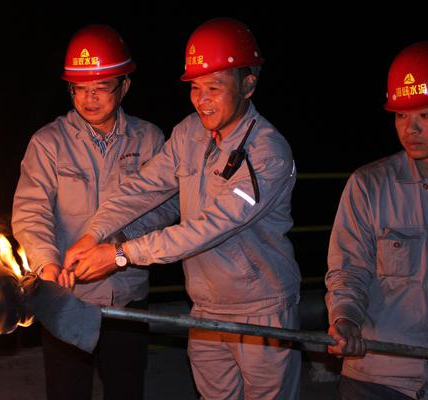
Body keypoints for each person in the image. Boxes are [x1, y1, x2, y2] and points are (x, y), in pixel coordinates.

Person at [64, 17, 302, 400]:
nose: (201, 99)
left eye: (214, 87)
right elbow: (143, 187)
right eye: (195, 87)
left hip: (261, 308)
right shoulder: (190, 133)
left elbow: (207, 229)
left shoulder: (267, 153)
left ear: (248, 84)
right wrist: (94, 234)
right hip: (205, 308)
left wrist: (121, 254)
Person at [11, 24, 178, 400]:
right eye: (80, 88)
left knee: (126, 390)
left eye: (101, 87)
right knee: (67, 392)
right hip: (66, 297)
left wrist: (118, 244)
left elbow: (168, 204)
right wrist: (46, 264)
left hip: (127, 297)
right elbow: (30, 211)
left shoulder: (149, 139)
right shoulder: (48, 143)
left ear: (124, 86)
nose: (89, 98)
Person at [325, 41, 428, 400]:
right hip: (378, 373)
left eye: (424, 115)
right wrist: (345, 319)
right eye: (401, 116)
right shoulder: (368, 184)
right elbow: (348, 269)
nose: (410, 129)